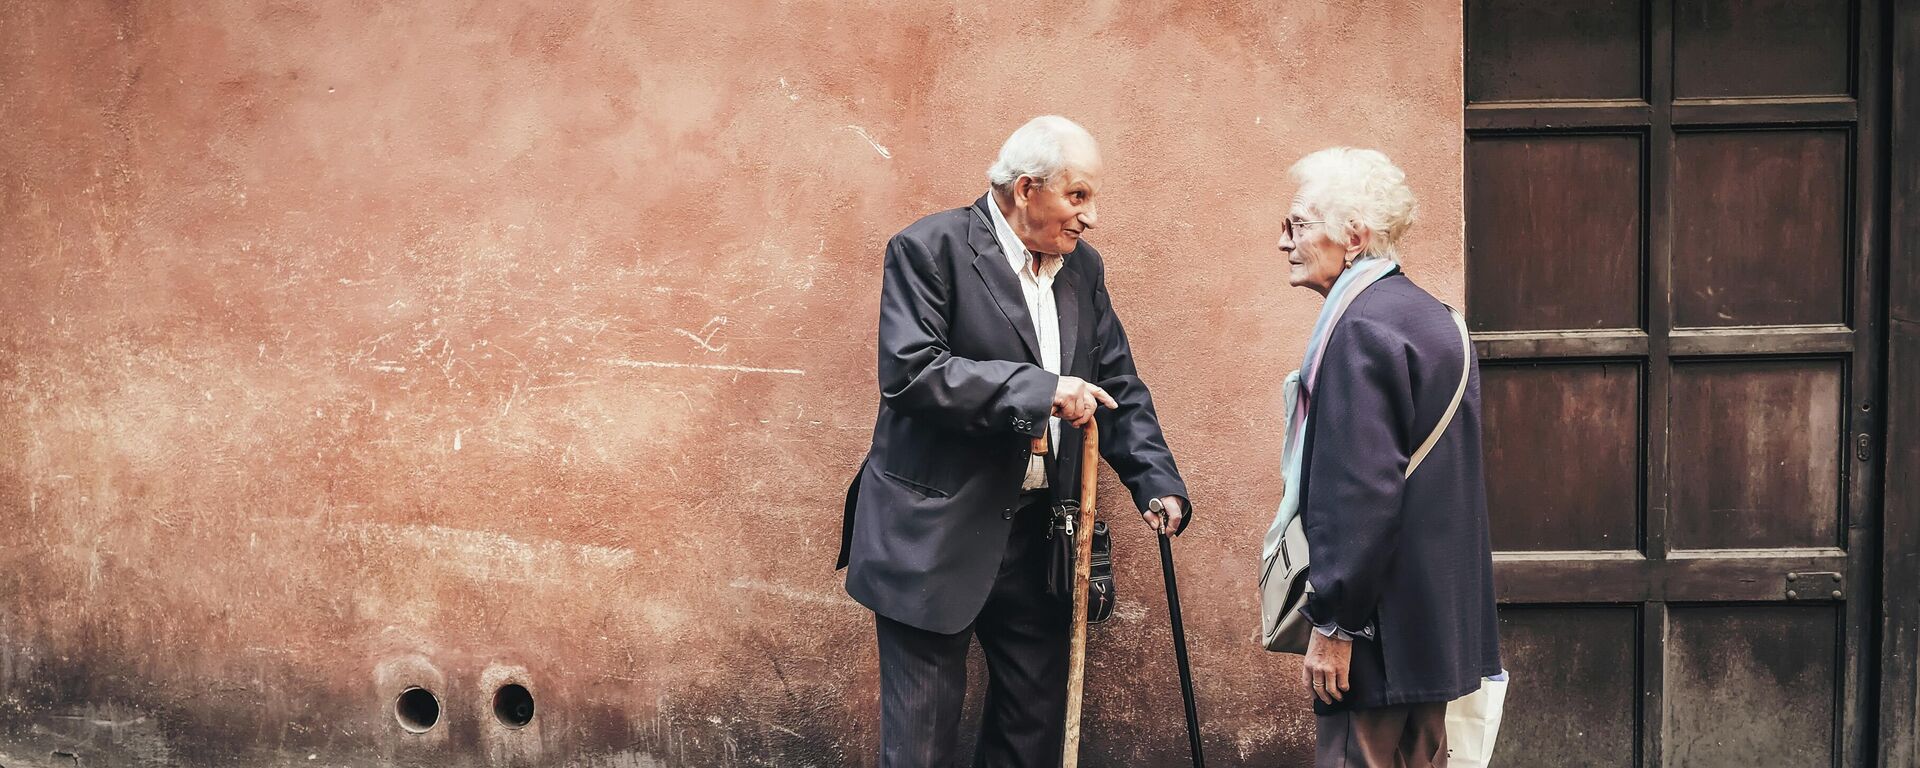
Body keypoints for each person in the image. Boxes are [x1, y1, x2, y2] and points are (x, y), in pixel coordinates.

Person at [836, 115, 1191, 767]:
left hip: (1039, 538)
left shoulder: (1082, 269)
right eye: (1078, 196)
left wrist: (1156, 481)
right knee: (920, 744)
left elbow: (1117, 382)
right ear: (1026, 189)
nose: (1091, 217)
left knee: (1034, 733)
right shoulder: (929, 248)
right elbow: (913, 373)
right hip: (932, 533)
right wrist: (1041, 389)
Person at [1270, 147, 1501, 767]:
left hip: (1378, 633)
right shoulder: (1432, 317)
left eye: (1297, 223)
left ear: (1353, 234)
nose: (1284, 241)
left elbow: (1360, 492)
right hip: (1431, 624)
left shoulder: (1360, 329)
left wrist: (1335, 625)